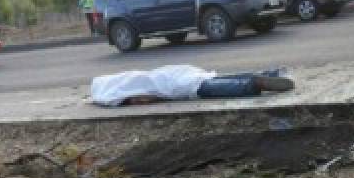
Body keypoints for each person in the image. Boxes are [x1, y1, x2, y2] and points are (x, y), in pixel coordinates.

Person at [90, 65, 294, 106]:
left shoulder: (117, 90)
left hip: (176, 84)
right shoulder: (126, 78)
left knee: (210, 89)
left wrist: (151, 98)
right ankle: (267, 74)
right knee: (211, 80)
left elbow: (141, 96)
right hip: (180, 73)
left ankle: (253, 83)